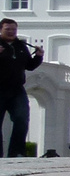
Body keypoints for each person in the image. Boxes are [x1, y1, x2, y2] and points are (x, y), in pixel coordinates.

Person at [0, 19, 44, 157]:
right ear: (1, 29)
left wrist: (38, 57)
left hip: (17, 89)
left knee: (22, 118)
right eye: (8, 29)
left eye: (14, 29)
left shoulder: (21, 46)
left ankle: (17, 152)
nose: (11, 32)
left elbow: (29, 66)